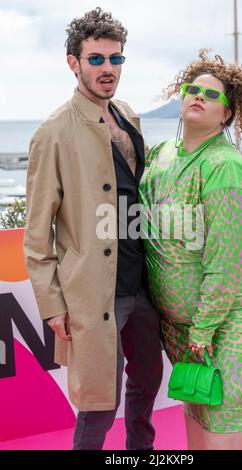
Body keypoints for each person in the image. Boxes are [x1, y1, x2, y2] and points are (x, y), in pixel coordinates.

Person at [23, 7, 163, 450]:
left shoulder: (126, 115)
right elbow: (36, 232)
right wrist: (52, 305)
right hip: (95, 290)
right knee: (99, 402)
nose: (108, 69)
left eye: (115, 59)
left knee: (147, 382)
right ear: (73, 62)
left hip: (141, 282)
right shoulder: (54, 132)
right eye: (97, 59)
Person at [139, 49, 242, 450]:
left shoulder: (225, 167)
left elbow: (226, 260)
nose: (199, 97)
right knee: (197, 401)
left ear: (227, 114)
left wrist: (203, 329)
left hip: (227, 314)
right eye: (192, 89)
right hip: (178, 320)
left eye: (212, 95)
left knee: (221, 407)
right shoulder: (161, 155)